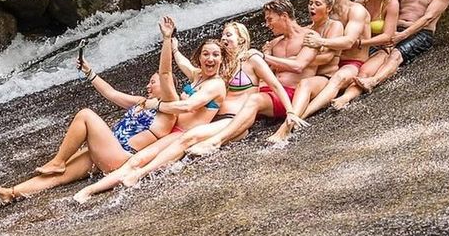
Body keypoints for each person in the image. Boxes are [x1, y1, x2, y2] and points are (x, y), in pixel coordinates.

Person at [0, 26, 227, 203]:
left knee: (86, 115)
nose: (149, 84)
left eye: (152, 82)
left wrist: (166, 41)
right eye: (149, 81)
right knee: (60, 177)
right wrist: (89, 72)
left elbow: (165, 72)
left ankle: (58, 160)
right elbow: (112, 93)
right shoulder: (142, 102)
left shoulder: (168, 107)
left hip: (120, 155)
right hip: (105, 150)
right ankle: (12, 193)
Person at [72, 19, 289, 201]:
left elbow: (188, 105)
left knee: (138, 163)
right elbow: (171, 70)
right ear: (200, 57)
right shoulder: (197, 76)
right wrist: (171, 44)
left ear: (222, 59)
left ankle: (119, 181)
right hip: (174, 128)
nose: (210, 58)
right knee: (135, 160)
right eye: (206, 54)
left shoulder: (217, 84)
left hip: (185, 132)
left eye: (215, 55)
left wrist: (155, 104)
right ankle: (91, 190)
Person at [188, 0, 326, 156]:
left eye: (269, 19)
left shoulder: (309, 36)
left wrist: (263, 56)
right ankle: (222, 132)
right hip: (270, 94)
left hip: (291, 93)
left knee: (254, 99)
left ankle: (215, 141)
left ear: (284, 16)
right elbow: (260, 70)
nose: (267, 25)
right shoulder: (274, 43)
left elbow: (299, 66)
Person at [348, 0, 449, 95]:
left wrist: (402, 35)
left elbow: (428, 18)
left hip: (421, 32)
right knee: (376, 52)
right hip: (395, 27)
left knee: (396, 54)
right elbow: (385, 1)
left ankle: (374, 81)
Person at [267, 0, 358, 142]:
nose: (312, 7)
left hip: (326, 76)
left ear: (328, 8)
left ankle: (287, 126)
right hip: (310, 74)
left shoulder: (334, 26)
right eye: (310, 3)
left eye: (317, 4)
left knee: (305, 84)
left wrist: (297, 60)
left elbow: (327, 58)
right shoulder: (308, 29)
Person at [328, 0, 402, 110]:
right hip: (362, 48)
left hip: (380, 47)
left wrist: (362, 42)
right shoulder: (360, 3)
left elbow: (388, 36)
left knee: (364, 72)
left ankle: (345, 98)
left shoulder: (391, 4)